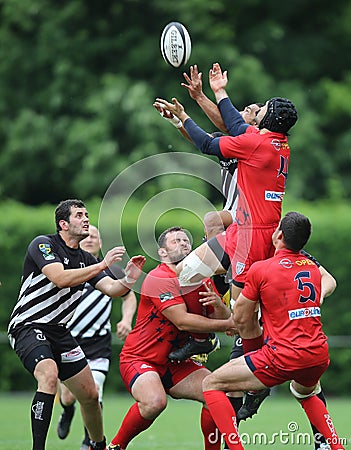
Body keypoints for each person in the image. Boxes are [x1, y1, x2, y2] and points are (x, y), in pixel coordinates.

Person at [7, 199, 146, 450]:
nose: (86, 219)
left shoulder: (85, 258)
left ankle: (98, 445)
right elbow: (59, 278)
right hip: (29, 326)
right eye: (79, 215)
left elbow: (112, 289)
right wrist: (103, 264)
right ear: (63, 223)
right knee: (49, 377)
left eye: (86, 214)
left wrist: (129, 278)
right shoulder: (43, 244)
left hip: (60, 332)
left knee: (90, 396)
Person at [201, 211, 344, 450]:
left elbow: (242, 317)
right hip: (318, 353)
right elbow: (325, 280)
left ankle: (234, 447)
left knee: (212, 383)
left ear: (277, 234)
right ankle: (333, 446)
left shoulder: (260, 268)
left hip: (282, 354)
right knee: (306, 391)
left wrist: (230, 319)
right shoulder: (309, 266)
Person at [107, 226, 235, 450]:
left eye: (186, 240)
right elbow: (183, 321)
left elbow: (223, 317)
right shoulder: (158, 278)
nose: (184, 244)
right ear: (162, 253)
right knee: (155, 402)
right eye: (176, 241)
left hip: (176, 363)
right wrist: (228, 323)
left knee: (214, 390)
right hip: (140, 358)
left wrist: (219, 307)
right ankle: (116, 446)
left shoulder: (201, 278)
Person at [57, 225, 138, 450]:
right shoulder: (66, 268)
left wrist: (125, 320)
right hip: (69, 341)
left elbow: (128, 296)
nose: (91, 239)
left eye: (95, 237)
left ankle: (89, 441)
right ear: (78, 240)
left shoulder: (112, 270)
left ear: (101, 243)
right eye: (87, 236)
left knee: (94, 392)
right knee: (69, 396)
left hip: (98, 344)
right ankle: (66, 410)